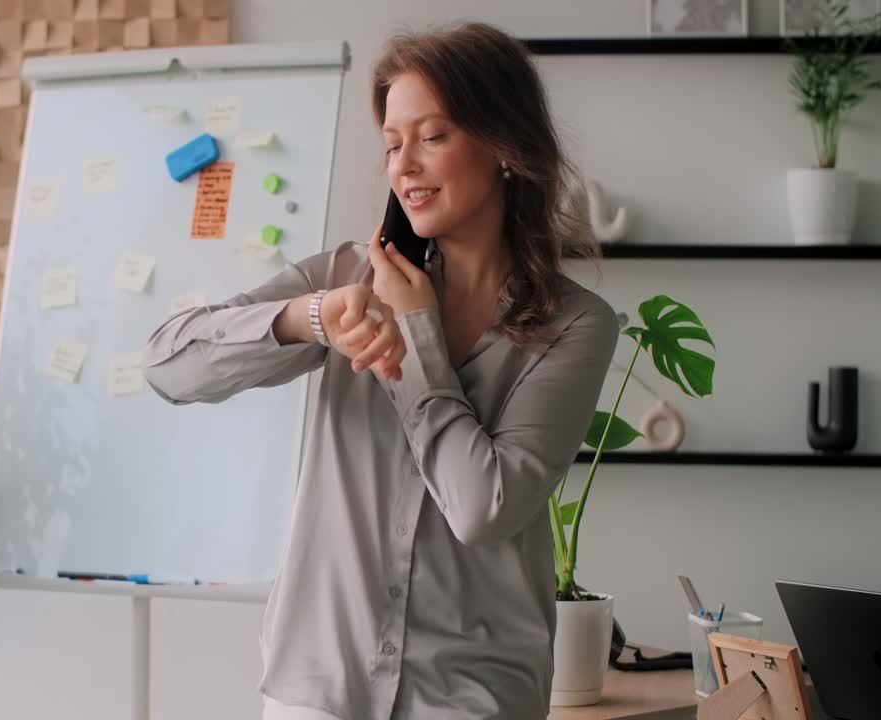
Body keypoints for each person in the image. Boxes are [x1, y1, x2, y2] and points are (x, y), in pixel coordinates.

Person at [143, 22, 618, 720]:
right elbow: (166, 364)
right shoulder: (341, 279)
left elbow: (484, 507)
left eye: (433, 136)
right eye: (394, 143)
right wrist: (310, 318)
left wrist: (416, 335)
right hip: (318, 692)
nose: (403, 166)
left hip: (470, 699)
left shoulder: (575, 325)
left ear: (505, 146)